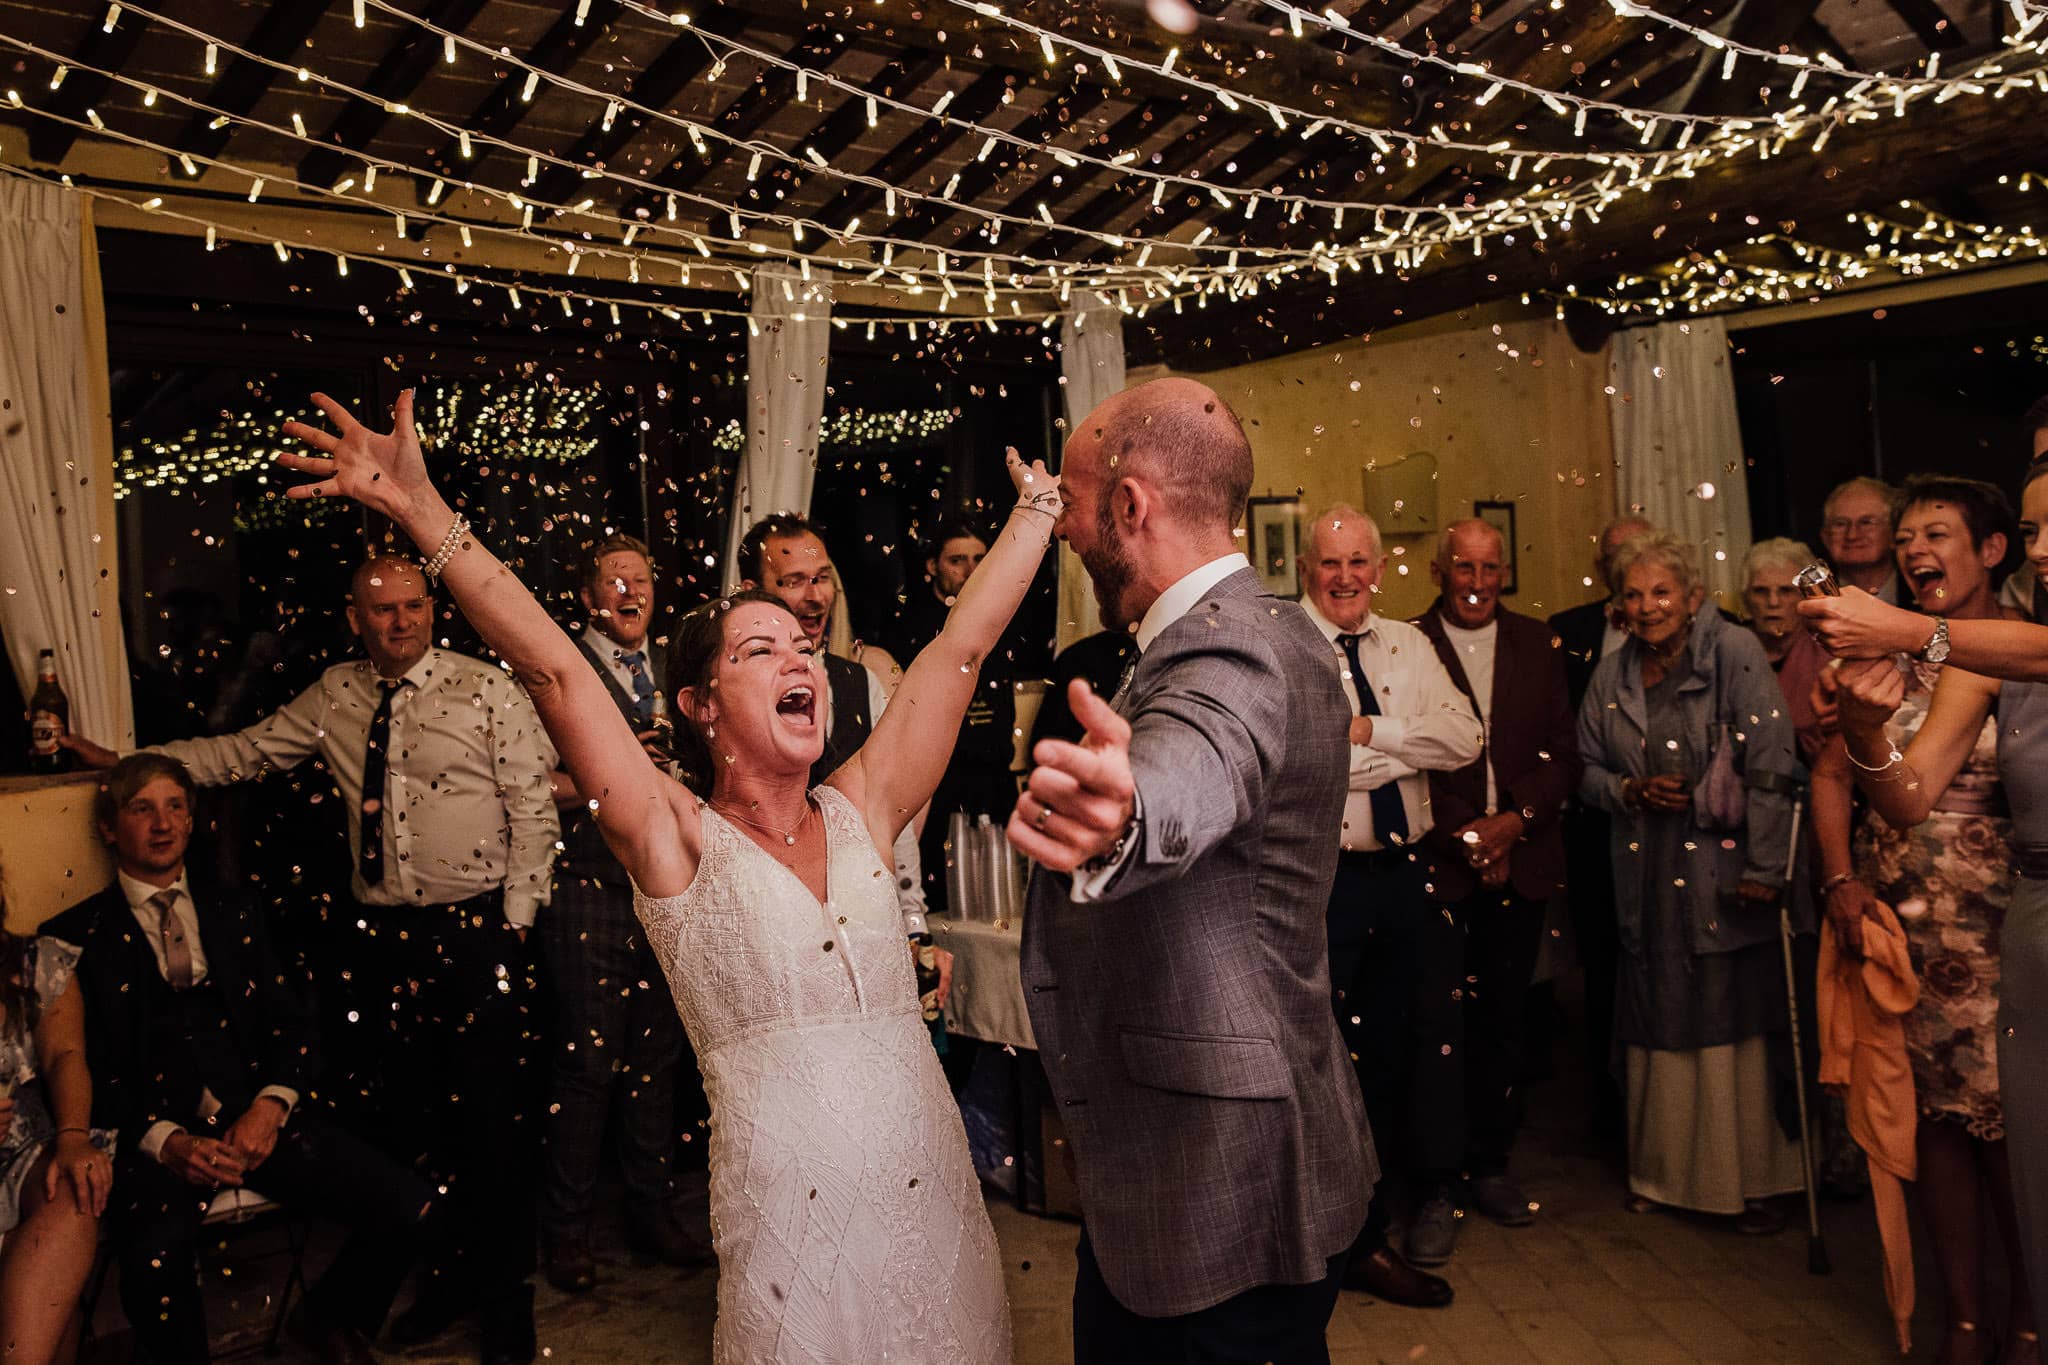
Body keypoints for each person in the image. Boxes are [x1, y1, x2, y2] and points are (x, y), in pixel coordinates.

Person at [274, 388, 1047, 1364]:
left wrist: (1038, 511)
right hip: (788, 1222)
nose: (797, 656)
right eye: (758, 648)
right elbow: (555, 670)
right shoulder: (676, 837)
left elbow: (960, 651)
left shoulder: (865, 803)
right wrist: (422, 513)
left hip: (924, 1191)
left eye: (802, 645)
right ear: (699, 705)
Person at [62, 556, 562, 1362]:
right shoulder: (336, 694)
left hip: (477, 933)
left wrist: (509, 932)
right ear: (355, 616)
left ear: (432, 609)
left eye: (413, 606)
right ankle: (398, 1292)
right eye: (383, 610)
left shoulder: (486, 689)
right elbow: (242, 752)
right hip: (380, 944)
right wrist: (133, 767)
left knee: (492, 1131)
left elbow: (534, 811)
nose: (401, 621)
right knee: (400, 1129)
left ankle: (503, 1303)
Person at [1005, 379, 1375, 1364]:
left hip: (1216, 1185)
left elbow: (1195, 760)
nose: (1072, 534)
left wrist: (1127, 810)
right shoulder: (1271, 625)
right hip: (1234, 1147)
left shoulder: (1227, 650)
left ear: (1130, 507)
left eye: (1077, 507)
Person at [44, 753, 436, 1365]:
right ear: (107, 827)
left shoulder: (237, 909)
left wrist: (271, 1105)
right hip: (151, 1139)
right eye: (141, 808)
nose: (162, 823)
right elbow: (80, 1062)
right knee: (155, 1256)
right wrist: (163, 1139)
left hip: (253, 1119)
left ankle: (327, 1317)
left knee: (410, 1204)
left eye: (176, 806)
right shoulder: (71, 937)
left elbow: (292, 1023)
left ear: (193, 821)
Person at [1813, 457, 2048, 1356]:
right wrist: (1868, 732)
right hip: (1944, 932)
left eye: (1931, 534)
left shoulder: (2002, 640)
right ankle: (1967, 1316)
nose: (1913, 550)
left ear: (1986, 552)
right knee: (1947, 1126)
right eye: (2034, 532)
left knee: (2022, 1140)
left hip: (2001, 921)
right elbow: (1905, 798)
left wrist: (1911, 629)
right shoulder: (1949, 660)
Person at [1577, 531, 1807, 1234]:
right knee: (1659, 1011)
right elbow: (1584, 770)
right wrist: (1630, 789)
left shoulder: (1732, 652)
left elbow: (1773, 761)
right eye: (1634, 595)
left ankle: (1750, 1182)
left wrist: (1768, 867)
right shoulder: (1613, 673)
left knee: (1732, 1014)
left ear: (1695, 597)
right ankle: (1667, 1175)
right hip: (1647, 876)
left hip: (1727, 875)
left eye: (1662, 592)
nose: (1647, 607)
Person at [1291, 504, 1481, 1290]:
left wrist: (1372, 733)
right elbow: (1299, 765)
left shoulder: (1408, 641)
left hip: (1406, 879)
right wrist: (1402, 751)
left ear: (1379, 567)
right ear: (1306, 568)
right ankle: (1333, 1239)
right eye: (1331, 563)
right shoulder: (1286, 645)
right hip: (1320, 886)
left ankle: (1389, 1221)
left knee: (1414, 1047)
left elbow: (1465, 737)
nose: (1346, 578)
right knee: (1326, 1062)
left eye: (1359, 562)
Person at [539, 534, 709, 1294]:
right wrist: (610, 772)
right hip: (589, 886)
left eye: (640, 580)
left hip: (668, 884)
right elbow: (527, 785)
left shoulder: (674, 665)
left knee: (659, 1059)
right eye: (615, 582)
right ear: (588, 596)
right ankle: (567, 1234)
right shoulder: (558, 672)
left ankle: (652, 1214)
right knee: (587, 1066)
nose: (630, 593)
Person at [1412, 516, 1581, 1261]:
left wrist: (1514, 822)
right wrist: (1469, 836)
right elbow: (1411, 760)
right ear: (1439, 571)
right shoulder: (1406, 641)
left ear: (1504, 572)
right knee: (1438, 1028)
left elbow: (1564, 754)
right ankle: (1437, 1180)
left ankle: (1492, 1163)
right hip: (1443, 869)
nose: (1477, 584)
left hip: (1523, 858)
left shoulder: (1537, 642)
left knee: (1505, 1021)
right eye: (1463, 568)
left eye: (1490, 569)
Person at [1548, 514, 1653, 1144]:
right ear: (1600, 568)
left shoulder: (1686, 627)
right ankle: (1611, 1111)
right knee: (1602, 969)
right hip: (1593, 830)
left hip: (1670, 831)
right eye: (1617, 557)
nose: (1628, 566)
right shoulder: (1569, 631)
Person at [0, 908, 107, 1365]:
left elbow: (65, 1054)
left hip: (27, 1152)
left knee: (73, 1188)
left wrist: (73, 1137)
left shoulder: (33, 961)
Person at [1742, 537, 1833, 763]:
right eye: (1761, 591)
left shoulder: (1828, 653)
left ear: (1805, 597)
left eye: (1785, 591)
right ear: (1746, 598)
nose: (1773, 602)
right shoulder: (1730, 650)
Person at [1821, 477, 1908, 607]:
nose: (1852, 535)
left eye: (1866, 522)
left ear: (1894, 532)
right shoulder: (1814, 599)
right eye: (1840, 524)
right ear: (1825, 536)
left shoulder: (1922, 593)